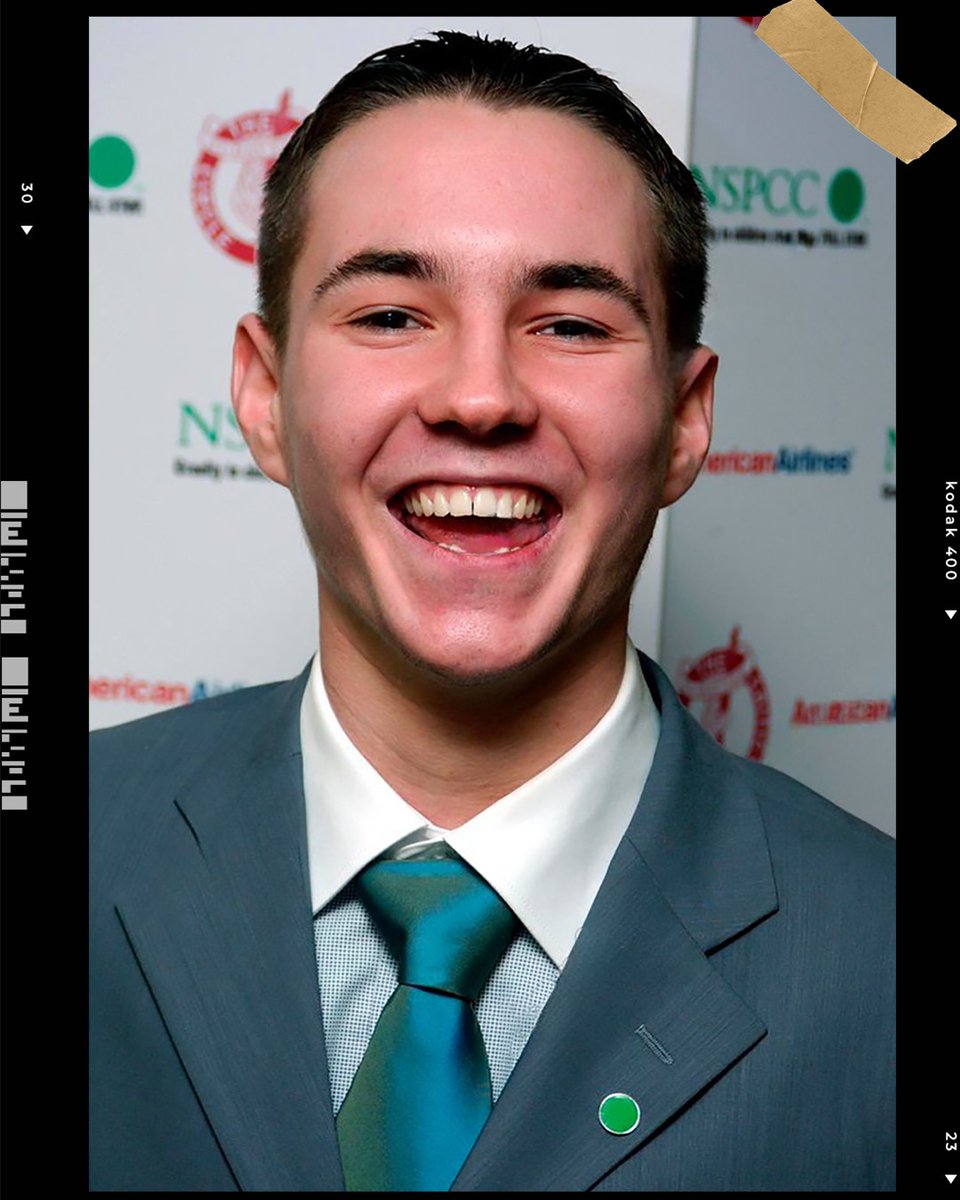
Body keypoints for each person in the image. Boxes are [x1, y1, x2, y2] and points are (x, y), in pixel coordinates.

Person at [90, 31, 894, 1192]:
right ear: (264, 401)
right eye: (388, 316)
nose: (481, 396)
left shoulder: (884, 962)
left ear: (683, 419)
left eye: (570, 323)